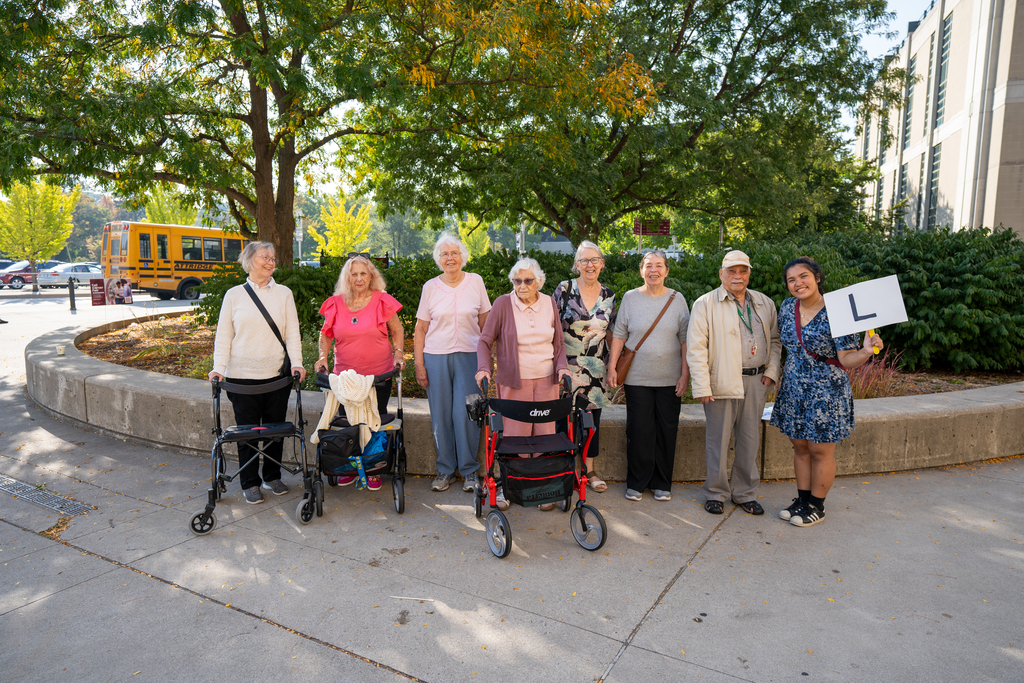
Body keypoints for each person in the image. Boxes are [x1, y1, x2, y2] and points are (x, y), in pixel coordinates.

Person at [770, 256, 883, 527]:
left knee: (820, 450)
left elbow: (846, 360)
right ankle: (802, 499)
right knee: (799, 447)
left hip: (826, 390)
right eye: (791, 280)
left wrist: (866, 352)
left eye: (804, 276)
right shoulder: (787, 307)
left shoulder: (837, 310)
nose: (798, 283)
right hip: (794, 387)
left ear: (817, 277)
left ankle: (817, 506)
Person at [209, 241, 306, 505]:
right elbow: (224, 336)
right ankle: (250, 482)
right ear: (250, 260)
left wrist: (297, 363)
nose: (271, 262)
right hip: (241, 377)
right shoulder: (234, 295)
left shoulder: (284, 293)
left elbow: (292, 334)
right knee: (248, 433)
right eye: (265, 257)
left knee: (275, 430)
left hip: (277, 375)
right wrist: (218, 368)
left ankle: (271, 476)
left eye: (273, 258)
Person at [687, 250, 782, 516]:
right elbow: (696, 348)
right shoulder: (705, 304)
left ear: (749, 273)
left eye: (743, 271)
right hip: (721, 381)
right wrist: (703, 386)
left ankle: (745, 493)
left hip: (756, 380)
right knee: (717, 440)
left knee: (750, 441)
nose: (737, 276)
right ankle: (716, 493)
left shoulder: (764, 303)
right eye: (731, 271)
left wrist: (771, 372)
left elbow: (775, 341)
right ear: (721, 274)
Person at [476, 257, 570, 510]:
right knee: (515, 438)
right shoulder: (503, 304)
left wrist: (562, 368)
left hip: (546, 380)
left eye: (528, 280)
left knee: (544, 436)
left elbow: (558, 345)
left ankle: (541, 488)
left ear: (539, 281)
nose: (522, 286)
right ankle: (509, 488)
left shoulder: (550, 303)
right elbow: (485, 341)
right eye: (517, 281)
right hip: (514, 382)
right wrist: (484, 368)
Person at [313, 255, 404, 491]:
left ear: (371, 275)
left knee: (374, 420)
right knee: (349, 423)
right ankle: (350, 466)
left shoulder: (382, 301)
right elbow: (326, 334)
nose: (359, 278)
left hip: (378, 377)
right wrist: (322, 357)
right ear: (347, 278)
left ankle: (372, 467)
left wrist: (399, 354)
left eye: (363, 273)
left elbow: (397, 330)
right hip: (345, 379)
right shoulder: (335, 303)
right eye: (354, 274)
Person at [607, 250, 690, 502]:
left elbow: (686, 340)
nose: (653, 270)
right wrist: (612, 367)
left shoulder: (678, 300)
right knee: (638, 430)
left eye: (659, 265)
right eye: (648, 266)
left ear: (666, 270)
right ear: (641, 270)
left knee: (667, 430)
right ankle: (637, 482)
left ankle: (662, 483)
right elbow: (620, 334)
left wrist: (685, 374)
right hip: (637, 378)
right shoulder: (631, 298)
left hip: (669, 378)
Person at [414, 232, 491, 494]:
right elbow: (420, 329)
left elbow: (486, 324)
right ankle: (445, 469)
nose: (450, 258)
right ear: (439, 259)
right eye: (445, 254)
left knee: (467, 414)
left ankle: (470, 472)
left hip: (470, 355)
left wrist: (489, 361)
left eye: (454, 253)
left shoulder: (476, 282)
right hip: (435, 357)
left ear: (463, 257)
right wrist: (419, 365)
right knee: (441, 415)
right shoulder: (430, 287)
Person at [553, 240, 615, 492]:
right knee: (562, 421)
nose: (589, 265)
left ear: (601, 263)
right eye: (583, 261)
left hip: (596, 370)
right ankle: (562, 470)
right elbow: (552, 328)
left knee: (592, 422)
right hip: (565, 369)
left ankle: (589, 470)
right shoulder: (564, 289)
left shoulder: (609, 295)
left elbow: (611, 333)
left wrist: (612, 367)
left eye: (594, 260)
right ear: (576, 265)